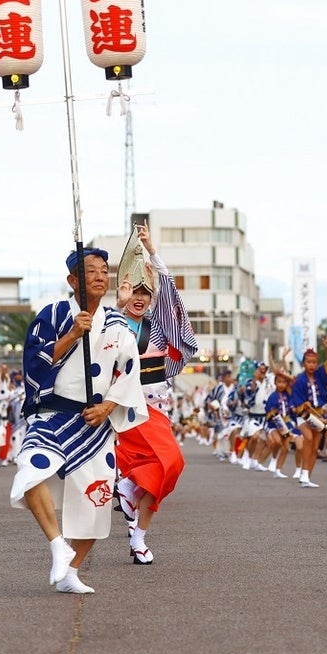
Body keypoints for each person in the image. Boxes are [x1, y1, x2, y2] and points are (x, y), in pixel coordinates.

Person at [10, 247, 147, 594]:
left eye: (104, 270)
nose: (100, 276)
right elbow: (34, 364)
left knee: (95, 503)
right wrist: (72, 334)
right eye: (91, 271)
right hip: (53, 414)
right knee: (30, 472)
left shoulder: (118, 325)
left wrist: (109, 406)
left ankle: (70, 572)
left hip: (95, 421)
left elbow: (130, 371)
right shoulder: (53, 314)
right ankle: (57, 545)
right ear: (73, 281)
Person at [112, 223, 199, 564]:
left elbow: (172, 298)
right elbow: (102, 349)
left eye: (145, 293)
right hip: (126, 411)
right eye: (133, 291)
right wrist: (117, 306)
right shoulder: (115, 324)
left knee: (168, 469)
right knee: (170, 461)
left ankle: (138, 534)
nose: (138, 298)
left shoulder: (159, 328)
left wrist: (152, 251)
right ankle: (131, 495)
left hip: (157, 410)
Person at [289, 349, 327, 487]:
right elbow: (298, 403)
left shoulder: (319, 375)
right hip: (304, 414)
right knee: (308, 438)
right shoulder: (299, 380)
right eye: (308, 362)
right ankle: (304, 473)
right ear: (303, 363)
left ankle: (306, 476)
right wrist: (314, 417)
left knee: (314, 447)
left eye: (314, 362)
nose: (311, 365)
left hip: (319, 414)